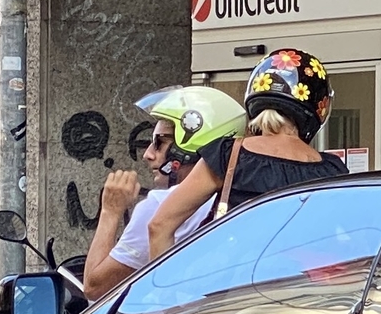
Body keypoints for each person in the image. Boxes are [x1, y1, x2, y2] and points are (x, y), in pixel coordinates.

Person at [142, 49, 346, 260]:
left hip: (236, 280)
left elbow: (159, 226)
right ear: (320, 105)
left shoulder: (228, 155)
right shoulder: (332, 170)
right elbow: (351, 238)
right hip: (302, 281)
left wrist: (167, 282)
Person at [81, 83, 245, 301]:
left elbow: (94, 288)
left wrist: (110, 211)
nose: (148, 154)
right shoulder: (243, 201)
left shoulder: (159, 207)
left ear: (189, 148)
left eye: (159, 143)